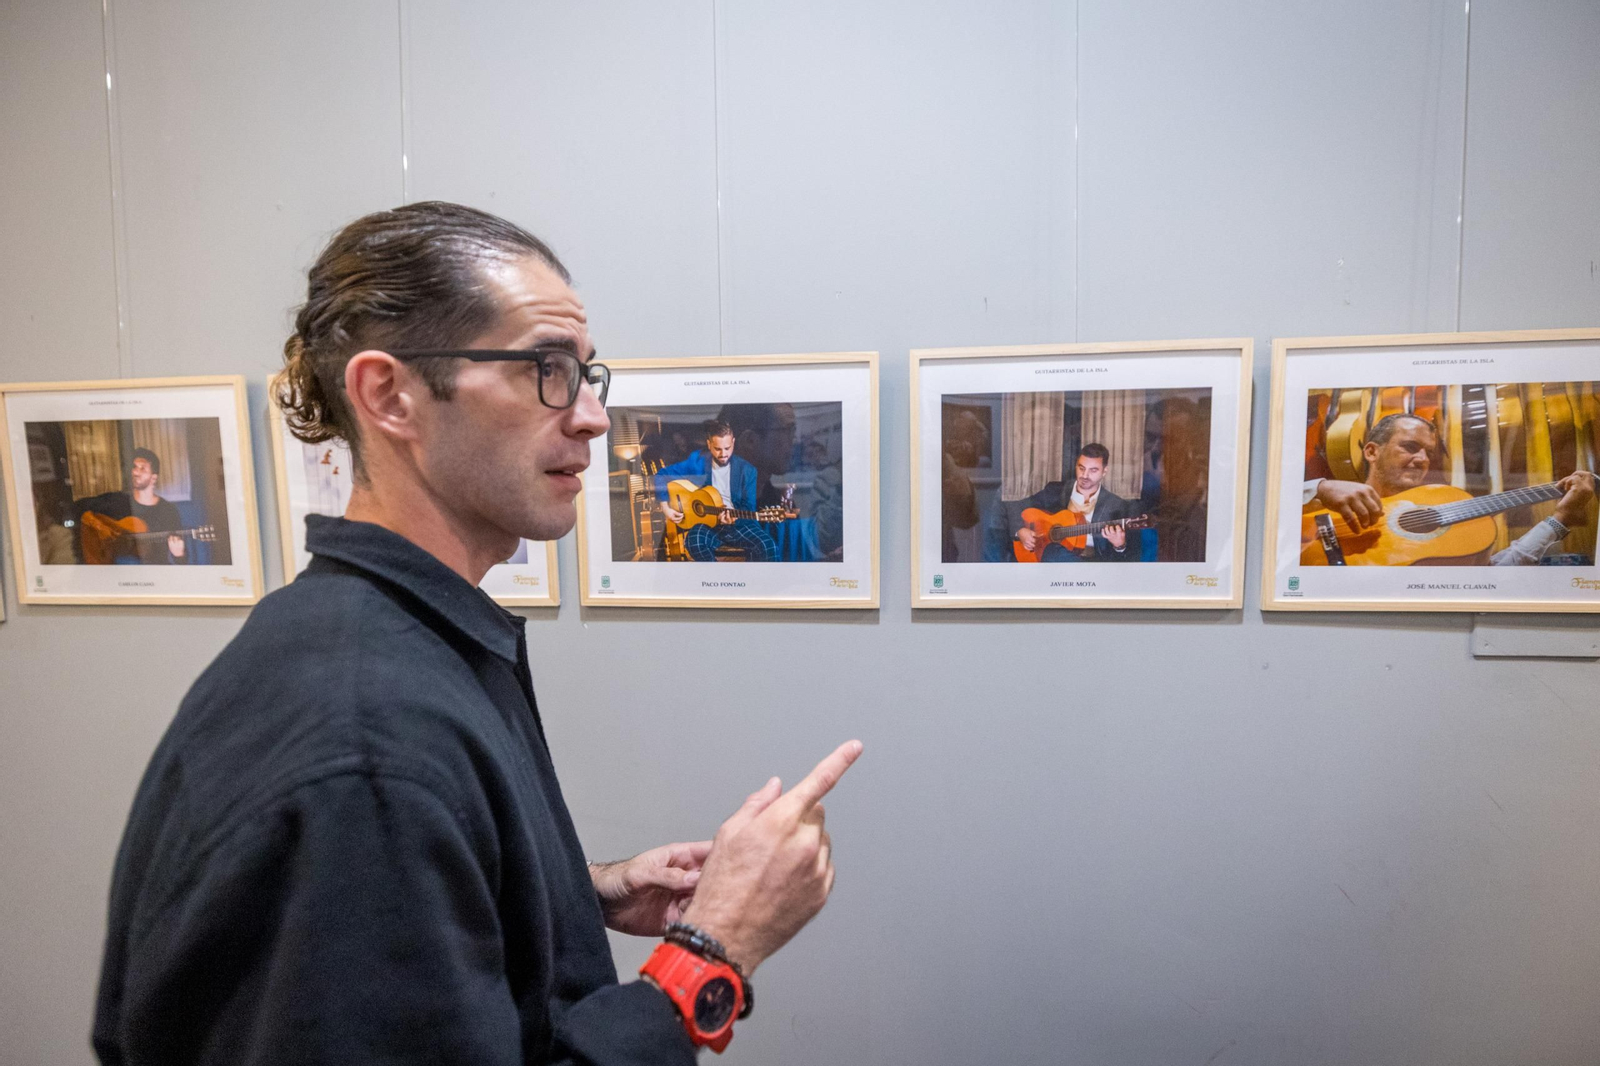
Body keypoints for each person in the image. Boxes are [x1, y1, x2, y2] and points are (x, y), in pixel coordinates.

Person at [93, 201, 862, 1065]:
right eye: (546, 368)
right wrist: (711, 950)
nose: (592, 416)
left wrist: (583, 892)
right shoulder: (365, 743)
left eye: (586, 373)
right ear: (390, 396)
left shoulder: (400, 642)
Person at [1304, 413, 1595, 565]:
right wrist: (1319, 487)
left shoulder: (1442, 507)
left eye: (1428, 452)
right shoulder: (1324, 496)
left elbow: (1492, 575)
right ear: (1371, 451)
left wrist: (1560, 519)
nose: (1422, 459)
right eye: (1410, 447)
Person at [654, 420, 780, 562]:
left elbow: (748, 507)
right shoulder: (698, 462)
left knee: (768, 546)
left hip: (740, 524)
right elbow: (661, 475)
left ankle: (750, 576)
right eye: (717, 449)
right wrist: (666, 508)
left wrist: (734, 518)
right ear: (709, 444)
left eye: (727, 448)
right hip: (709, 525)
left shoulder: (748, 470)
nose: (723, 454)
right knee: (694, 541)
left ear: (733, 442)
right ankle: (715, 573)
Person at [996, 442, 1142, 562]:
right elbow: (1015, 505)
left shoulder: (1117, 505)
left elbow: (1131, 559)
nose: (1085, 475)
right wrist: (1020, 530)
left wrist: (1119, 546)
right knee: (1054, 551)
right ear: (1076, 466)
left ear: (1104, 471)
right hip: (1051, 558)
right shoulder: (1055, 491)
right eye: (1081, 468)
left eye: (1093, 470)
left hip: (1092, 564)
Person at [73, 447, 188, 564]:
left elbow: (183, 563)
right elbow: (78, 508)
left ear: (154, 477)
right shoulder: (117, 500)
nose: (135, 472)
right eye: (134, 467)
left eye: (142, 468)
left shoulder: (168, 511)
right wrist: (100, 527)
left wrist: (179, 555)